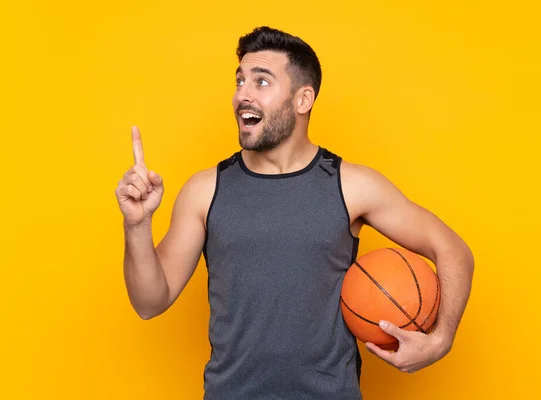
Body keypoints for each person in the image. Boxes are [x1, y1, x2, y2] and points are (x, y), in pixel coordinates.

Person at [115, 26, 474, 400]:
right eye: (239, 81)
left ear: (303, 100)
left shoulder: (352, 185)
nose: (243, 95)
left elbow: (452, 250)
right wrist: (137, 225)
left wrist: (440, 340)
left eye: (262, 82)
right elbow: (149, 302)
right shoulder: (205, 190)